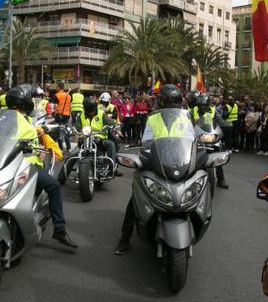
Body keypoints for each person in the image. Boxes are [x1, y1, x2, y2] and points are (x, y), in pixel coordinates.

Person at [114, 84, 192, 255]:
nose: (170, 104)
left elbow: (192, 142)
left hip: (179, 163)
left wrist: (196, 155)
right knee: (136, 197)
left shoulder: (185, 119)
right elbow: (147, 142)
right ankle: (124, 238)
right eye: (168, 101)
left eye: (173, 101)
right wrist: (146, 155)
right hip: (156, 163)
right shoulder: (153, 119)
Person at [9, 85, 77, 248]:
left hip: (20, 166)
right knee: (54, 186)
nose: (34, 101)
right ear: (26, 102)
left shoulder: (15, 119)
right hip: (19, 166)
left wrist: (40, 139)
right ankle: (59, 230)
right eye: (32, 99)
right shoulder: (13, 119)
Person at [68, 96, 121, 177]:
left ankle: (112, 168)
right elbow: (76, 126)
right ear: (86, 109)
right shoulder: (81, 115)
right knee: (73, 155)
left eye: (93, 110)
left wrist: (117, 128)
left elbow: (112, 123)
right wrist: (72, 129)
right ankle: (62, 177)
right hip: (85, 139)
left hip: (100, 140)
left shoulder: (101, 114)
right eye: (90, 111)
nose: (91, 112)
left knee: (111, 144)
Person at [193, 94, 230, 189]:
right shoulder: (192, 111)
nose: (202, 107)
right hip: (196, 137)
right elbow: (186, 121)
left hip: (210, 137)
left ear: (208, 104)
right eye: (200, 105)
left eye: (204, 105)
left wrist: (226, 124)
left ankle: (221, 180)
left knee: (218, 156)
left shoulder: (213, 111)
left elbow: (220, 121)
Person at [54, 82, 72, 151]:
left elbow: (55, 106)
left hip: (59, 115)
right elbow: (70, 106)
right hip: (67, 115)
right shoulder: (69, 96)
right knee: (66, 130)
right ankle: (68, 148)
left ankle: (60, 148)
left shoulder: (57, 95)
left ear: (59, 87)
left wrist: (54, 113)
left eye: (56, 87)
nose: (56, 88)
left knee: (60, 132)